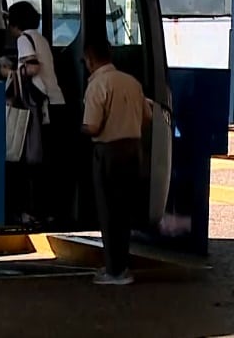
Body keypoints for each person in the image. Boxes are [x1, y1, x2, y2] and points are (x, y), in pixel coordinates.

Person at [81, 37, 152, 286]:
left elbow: (92, 126)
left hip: (108, 153)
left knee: (108, 211)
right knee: (124, 211)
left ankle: (114, 271)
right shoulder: (131, 82)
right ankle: (120, 265)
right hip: (133, 150)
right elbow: (147, 116)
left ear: (89, 61)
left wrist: (78, 129)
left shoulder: (97, 86)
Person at [7, 1, 67, 224]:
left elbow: (32, 67)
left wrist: (11, 70)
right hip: (55, 102)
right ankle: (49, 211)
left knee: (33, 159)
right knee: (49, 160)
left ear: (15, 23)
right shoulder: (40, 38)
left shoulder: (24, 39)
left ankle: (31, 211)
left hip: (40, 107)